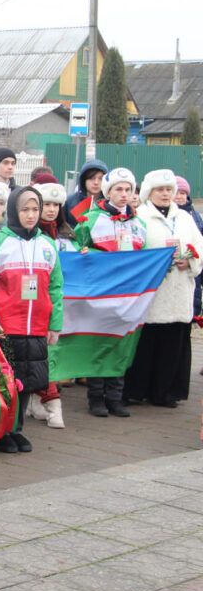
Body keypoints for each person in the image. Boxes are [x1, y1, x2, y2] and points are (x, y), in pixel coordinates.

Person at [0, 187, 63, 454]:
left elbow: (56, 286)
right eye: (25, 209)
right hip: (5, 327)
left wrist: (54, 323)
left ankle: (16, 428)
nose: (31, 215)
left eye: (35, 209)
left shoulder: (47, 245)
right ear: (13, 210)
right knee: (4, 383)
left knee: (27, 381)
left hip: (35, 326)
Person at [124, 170, 203, 408]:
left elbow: (199, 245)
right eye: (160, 190)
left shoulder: (185, 219)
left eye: (170, 189)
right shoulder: (140, 217)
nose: (166, 194)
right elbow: (133, 251)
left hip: (179, 289)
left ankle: (166, 392)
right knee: (148, 344)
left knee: (173, 345)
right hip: (153, 293)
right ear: (150, 192)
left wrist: (189, 261)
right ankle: (138, 390)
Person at [74, 167, 145, 417]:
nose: (124, 194)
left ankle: (115, 397)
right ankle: (96, 398)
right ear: (108, 192)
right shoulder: (91, 219)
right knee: (100, 343)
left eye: (128, 189)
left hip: (128, 297)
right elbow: (79, 251)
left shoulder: (139, 223)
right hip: (101, 295)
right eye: (119, 189)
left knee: (120, 344)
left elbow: (144, 258)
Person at [28, 179, 75, 430]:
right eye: (46, 204)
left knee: (50, 354)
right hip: (35, 305)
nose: (51, 210)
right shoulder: (31, 237)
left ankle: (43, 400)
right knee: (41, 356)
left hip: (62, 305)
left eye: (57, 205)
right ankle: (47, 401)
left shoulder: (69, 235)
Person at [174, 176, 203, 317]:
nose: (179, 197)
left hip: (192, 268)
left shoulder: (195, 216)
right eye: (176, 192)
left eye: (183, 193)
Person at [64, 159, 108, 227]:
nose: (96, 182)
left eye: (100, 178)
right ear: (83, 180)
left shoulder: (110, 203)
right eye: (91, 178)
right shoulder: (69, 202)